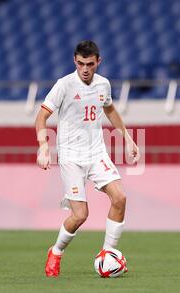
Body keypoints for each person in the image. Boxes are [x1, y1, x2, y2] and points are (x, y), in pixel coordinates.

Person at [35, 40, 140, 277]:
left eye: (90, 64)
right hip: (71, 156)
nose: (85, 68)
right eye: (81, 63)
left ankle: (108, 253)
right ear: (75, 60)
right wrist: (43, 146)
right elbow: (41, 117)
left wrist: (128, 138)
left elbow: (109, 109)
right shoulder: (64, 85)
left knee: (120, 198)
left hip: (96, 153)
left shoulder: (103, 84)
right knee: (80, 215)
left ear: (98, 62)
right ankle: (56, 251)